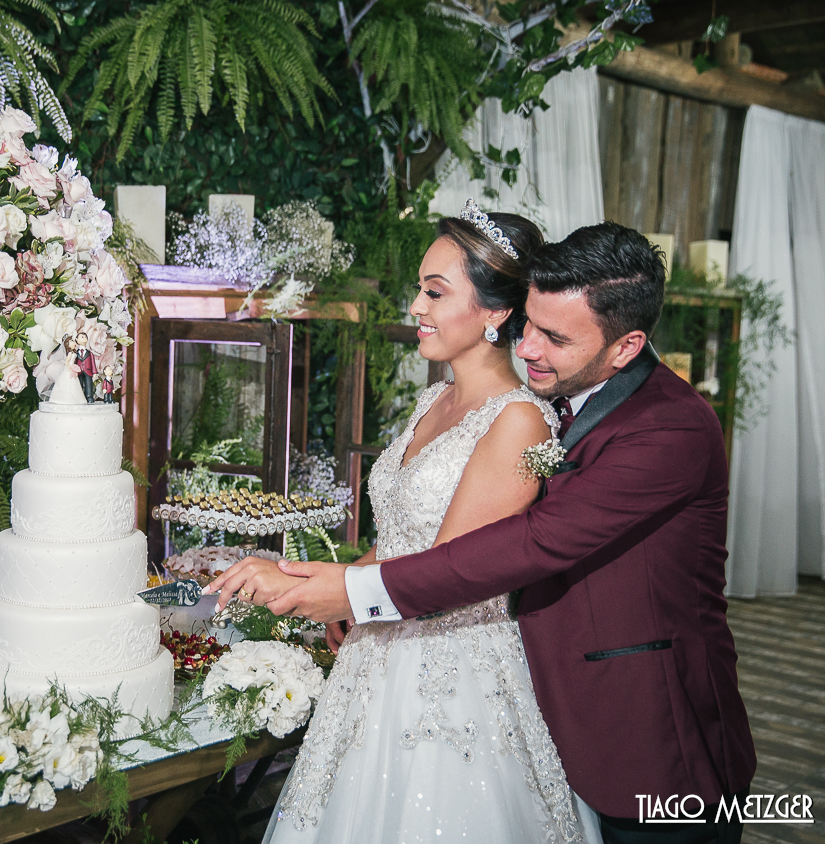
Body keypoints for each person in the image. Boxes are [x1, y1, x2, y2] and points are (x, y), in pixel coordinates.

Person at [212, 222, 756, 844]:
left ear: (627, 346)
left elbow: (531, 543)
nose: (528, 351)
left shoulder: (670, 429)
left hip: (650, 742)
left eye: (554, 337)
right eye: (528, 324)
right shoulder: (545, 397)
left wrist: (358, 590)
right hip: (544, 703)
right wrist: (359, 573)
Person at [217, 200, 599, 843]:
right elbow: (401, 540)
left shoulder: (520, 422)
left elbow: (449, 567)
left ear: (497, 313)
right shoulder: (433, 399)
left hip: (453, 671)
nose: (416, 306)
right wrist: (311, 580)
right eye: (419, 289)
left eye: (435, 292)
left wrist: (325, 587)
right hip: (379, 647)